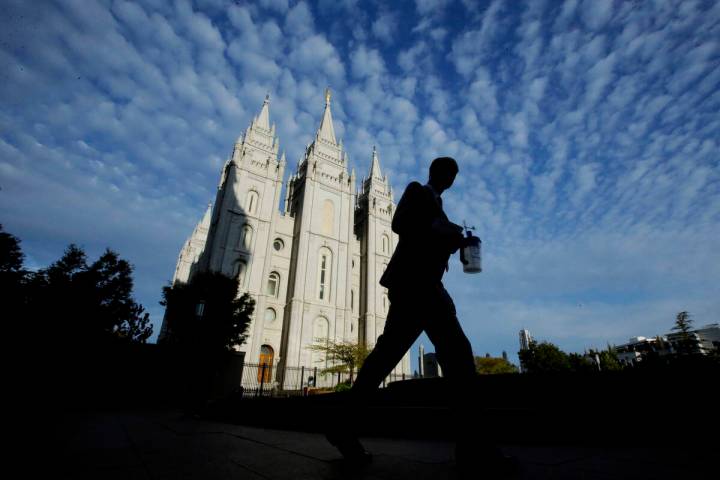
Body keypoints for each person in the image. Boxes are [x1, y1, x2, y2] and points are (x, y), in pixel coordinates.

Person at [326, 157, 517, 478]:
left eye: (453, 174)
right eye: (446, 172)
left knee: (399, 358)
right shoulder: (417, 191)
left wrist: (456, 242)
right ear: (434, 172)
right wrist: (438, 228)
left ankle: (343, 426)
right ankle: (474, 448)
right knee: (451, 355)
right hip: (414, 286)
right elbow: (400, 223)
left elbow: (434, 240)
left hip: (427, 287)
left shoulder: (441, 211)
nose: (449, 177)